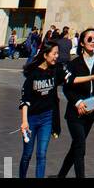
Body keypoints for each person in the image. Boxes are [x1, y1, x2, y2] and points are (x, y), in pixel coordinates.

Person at [56, 27, 94, 179]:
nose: (93, 42)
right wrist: (78, 102)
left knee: (76, 147)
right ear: (81, 43)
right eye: (89, 39)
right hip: (76, 112)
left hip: (91, 111)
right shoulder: (75, 64)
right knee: (80, 146)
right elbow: (67, 88)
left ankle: (61, 175)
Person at [19, 41, 66, 178]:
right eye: (54, 53)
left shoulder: (55, 70)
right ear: (45, 55)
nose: (57, 56)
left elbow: (72, 80)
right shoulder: (33, 75)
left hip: (47, 118)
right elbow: (25, 100)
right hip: (31, 119)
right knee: (27, 154)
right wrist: (24, 122)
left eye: (58, 53)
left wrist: (92, 77)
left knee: (41, 154)